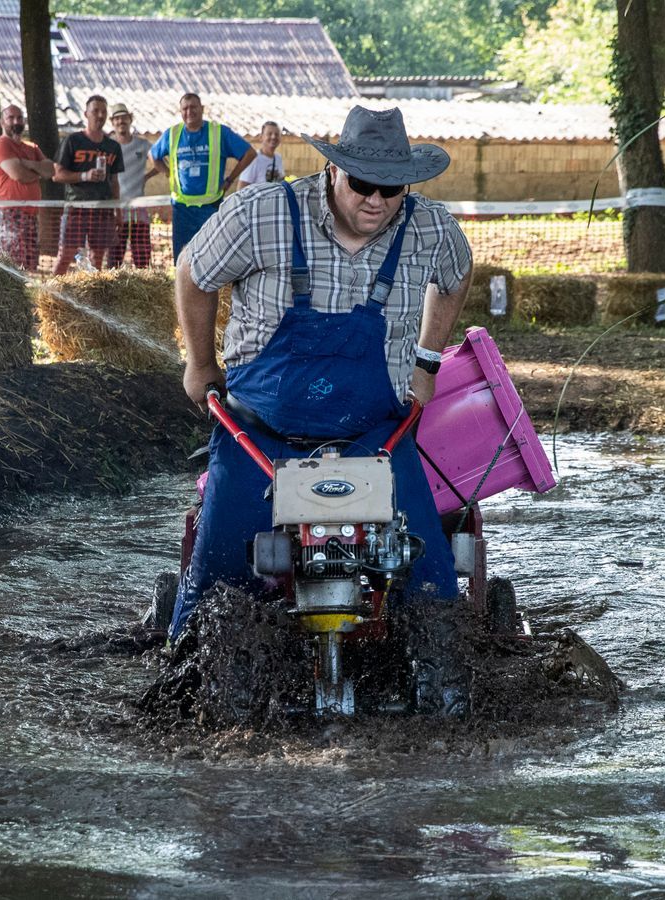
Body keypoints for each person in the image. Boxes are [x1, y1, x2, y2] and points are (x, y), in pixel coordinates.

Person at [170, 106, 473, 656]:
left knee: (429, 581)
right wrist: (199, 363)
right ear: (334, 170)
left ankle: (435, 685)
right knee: (215, 576)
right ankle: (185, 673)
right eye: (362, 184)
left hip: (374, 434)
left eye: (392, 188)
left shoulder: (430, 227)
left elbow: (456, 277)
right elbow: (193, 274)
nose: (376, 201)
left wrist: (427, 360)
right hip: (258, 433)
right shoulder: (261, 214)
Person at [150, 93, 255, 261]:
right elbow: (153, 156)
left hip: (210, 208)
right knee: (182, 260)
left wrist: (230, 179)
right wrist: (169, 172)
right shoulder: (173, 134)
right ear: (180, 111)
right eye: (185, 108)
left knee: (211, 258)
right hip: (181, 209)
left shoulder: (219, 132)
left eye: (193, 107)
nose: (189, 111)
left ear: (202, 109)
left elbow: (249, 153)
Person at [52, 95, 123, 274]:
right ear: (86, 114)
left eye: (103, 111)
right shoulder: (72, 141)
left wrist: (118, 211)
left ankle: (92, 297)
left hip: (103, 209)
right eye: (95, 111)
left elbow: (114, 181)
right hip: (76, 207)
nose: (100, 115)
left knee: (97, 257)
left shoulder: (113, 146)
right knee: (66, 254)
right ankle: (50, 294)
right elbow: (58, 175)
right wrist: (85, 175)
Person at [0, 105, 55, 272]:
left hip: (31, 214)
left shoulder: (32, 148)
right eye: (11, 118)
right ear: (2, 122)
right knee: (11, 265)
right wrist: (37, 173)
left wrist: (31, 164)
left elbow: (51, 170)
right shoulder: (0, 145)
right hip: (10, 213)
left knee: (30, 264)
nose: (16, 121)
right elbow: (18, 174)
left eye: (19, 117)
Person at [106, 102, 157, 268]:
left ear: (130, 119)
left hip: (138, 211)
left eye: (124, 117)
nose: (121, 121)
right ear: (112, 122)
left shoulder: (143, 145)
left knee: (142, 258)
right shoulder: (107, 145)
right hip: (116, 210)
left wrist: (146, 176)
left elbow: (161, 161)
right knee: (114, 259)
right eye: (117, 118)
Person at [237, 121, 285, 189]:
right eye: (269, 134)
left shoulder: (278, 158)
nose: (273, 137)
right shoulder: (254, 159)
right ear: (261, 137)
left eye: (277, 134)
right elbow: (241, 188)